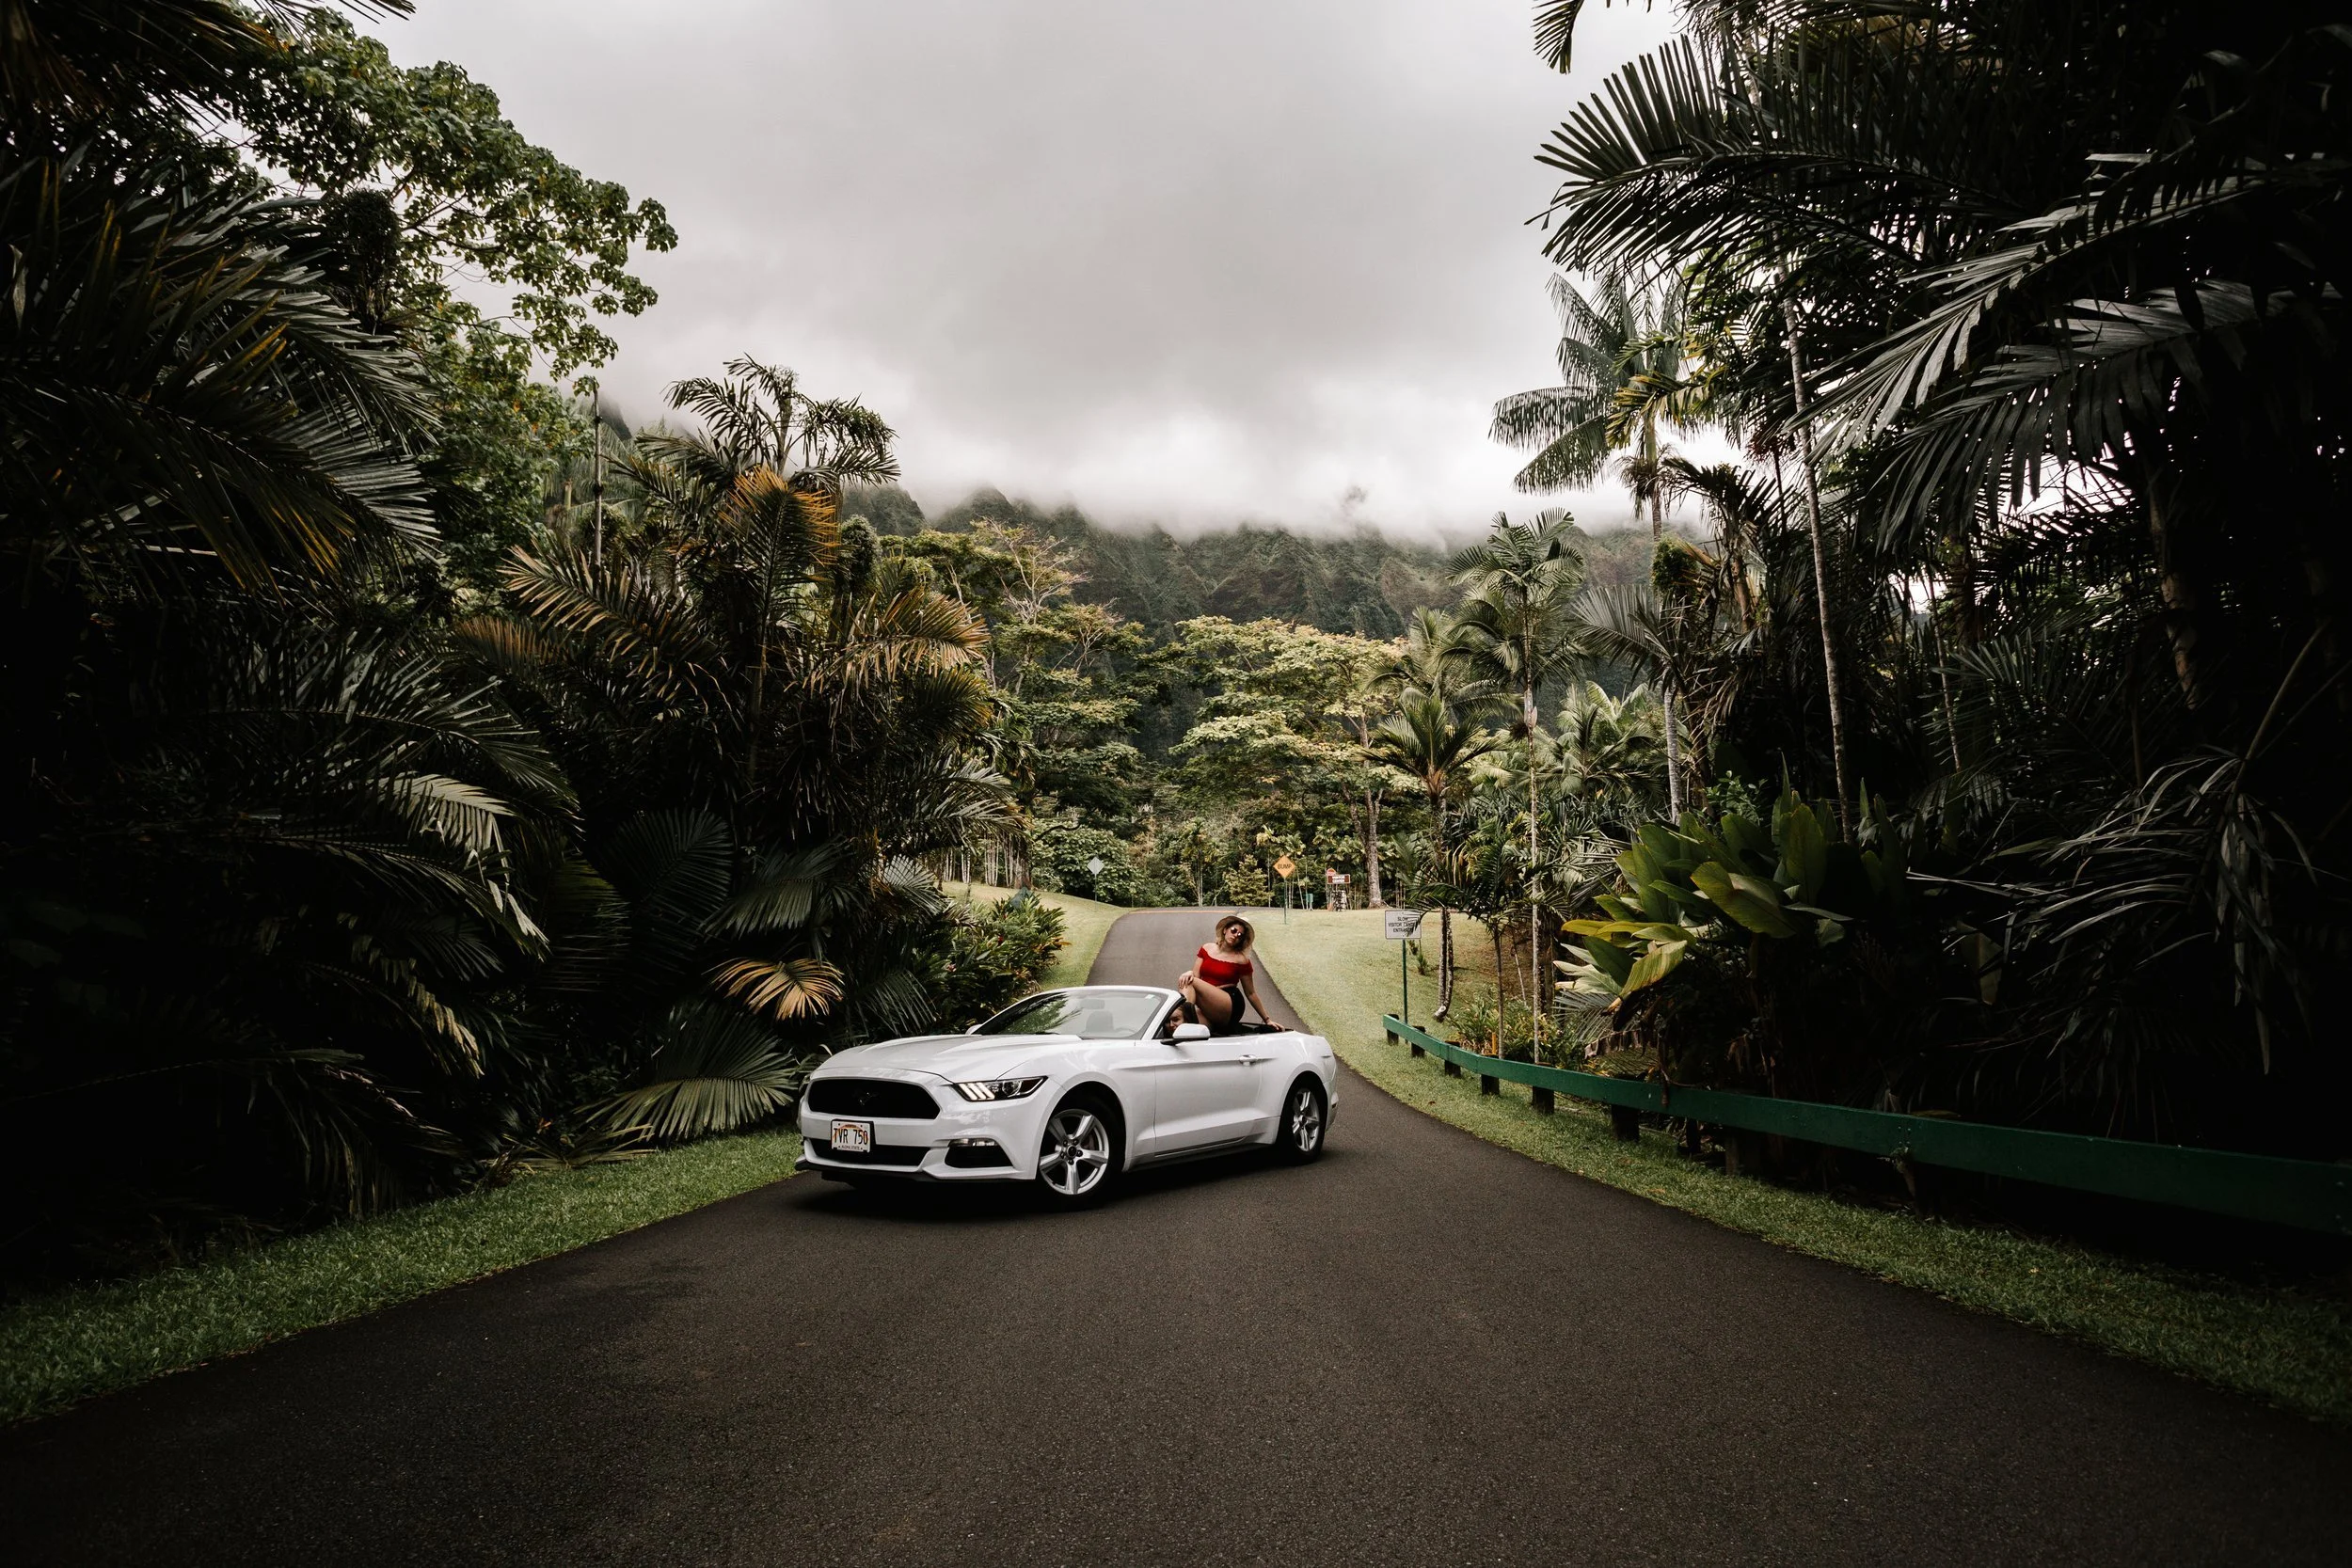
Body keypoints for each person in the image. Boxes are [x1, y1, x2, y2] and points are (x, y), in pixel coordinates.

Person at [1178, 915, 1269, 1035]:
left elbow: (1251, 993)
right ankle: (1186, 1019)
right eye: (1234, 930)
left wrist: (1267, 1019)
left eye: (1240, 935)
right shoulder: (1206, 948)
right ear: (1225, 930)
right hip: (1209, 1006)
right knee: (1181, 1026)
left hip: (1228, 1004)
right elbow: (1195, 976)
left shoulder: (1241, 960)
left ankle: (1184, 1014)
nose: (1236, 935)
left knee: (1189, 981)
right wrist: (1189, 972)